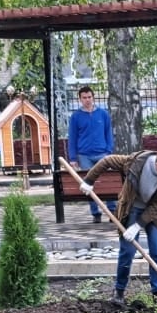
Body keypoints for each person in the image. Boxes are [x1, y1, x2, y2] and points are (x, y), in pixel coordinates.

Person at [80, 148, 157, 307]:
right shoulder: (135, 162)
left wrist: (137, 226)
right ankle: (119, 291)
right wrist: (89, 180)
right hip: (131, 208)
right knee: (127, 250)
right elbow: (107, 161)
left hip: (154, 212)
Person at [68, 85, 117, 223]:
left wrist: (108, 151)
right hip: (84, 156)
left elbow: (109, 134)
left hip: (102, 154)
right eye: (84, 98)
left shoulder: (103, 114)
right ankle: (95, 213)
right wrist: (73, 158)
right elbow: (72, 138)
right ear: (80, 99)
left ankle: (112, 211)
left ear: (93, 97)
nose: (87, 100)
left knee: (108, 183)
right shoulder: (76, 117)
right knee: (88, 185)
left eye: (89, 97)